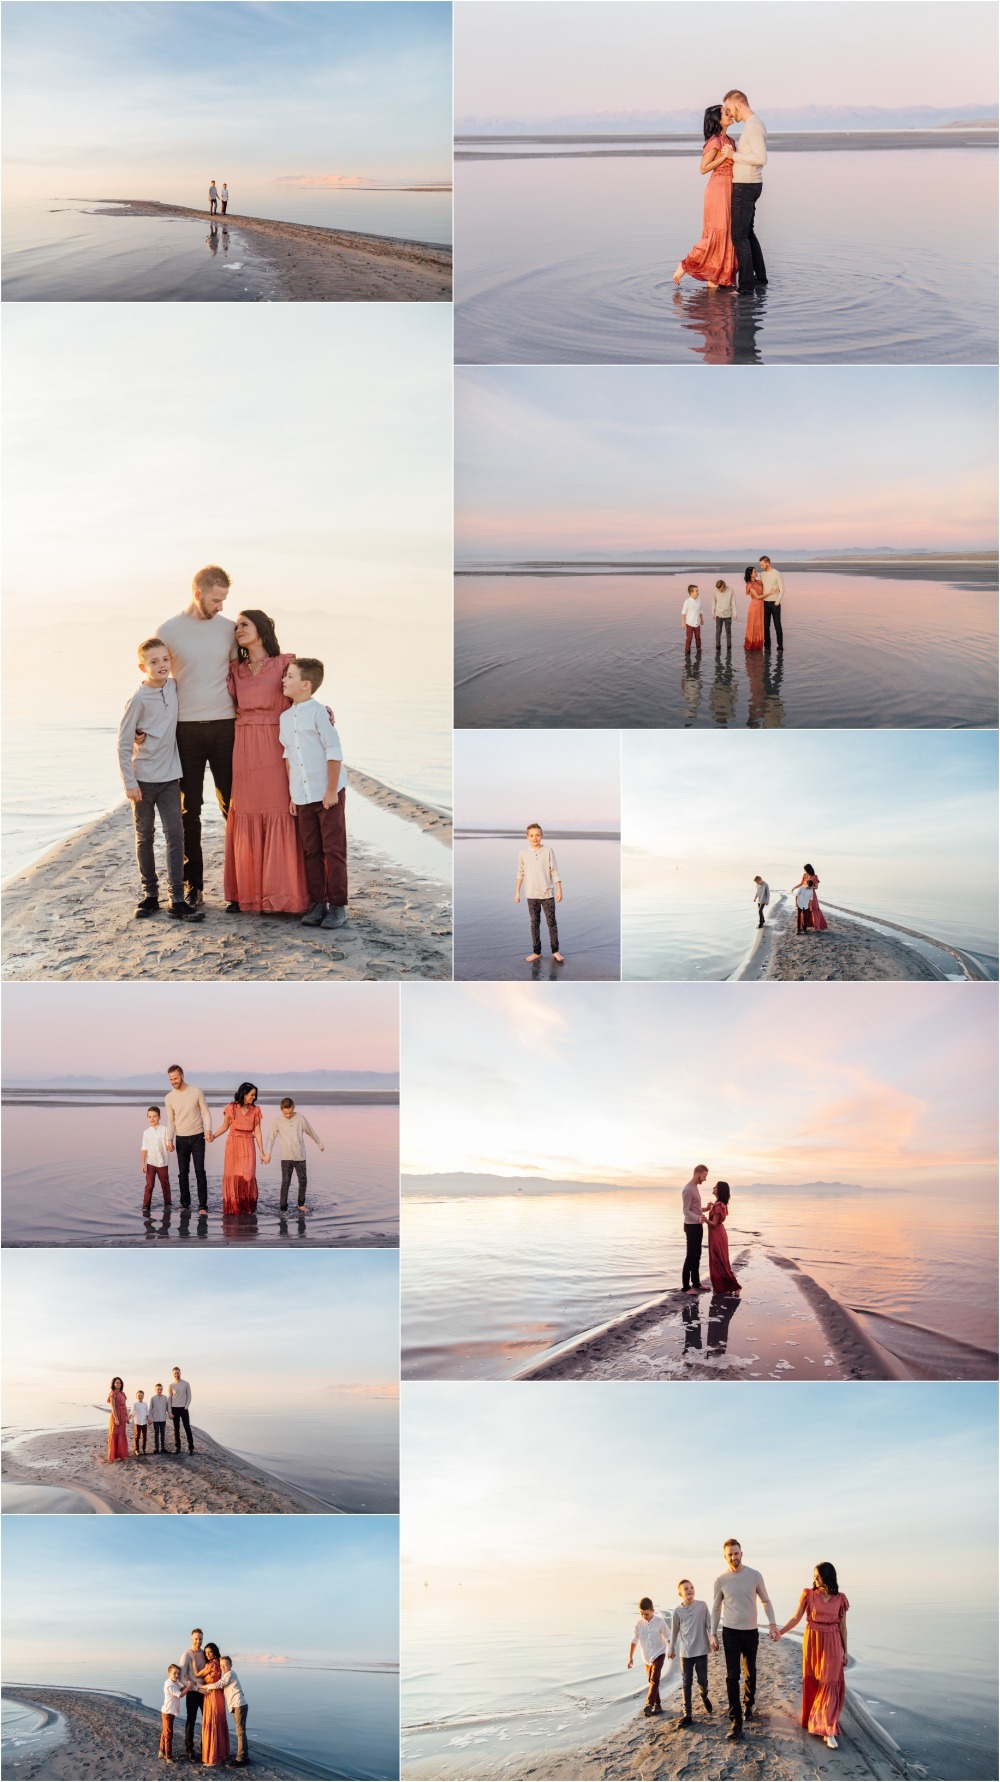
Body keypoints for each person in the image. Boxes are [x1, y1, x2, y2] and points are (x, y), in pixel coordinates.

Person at [158, 567, 237, 908]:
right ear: (198, 594)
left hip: (225, 727)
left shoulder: (230, 630)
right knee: (190, 811)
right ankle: (194, 887)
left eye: (224, 600)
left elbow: (246, 672)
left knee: (234, 808)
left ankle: (241, 886)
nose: (221, 606)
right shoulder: (169, 631)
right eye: (216, 599)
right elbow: (157, 677)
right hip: (185, 729)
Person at [222, 611, 310, 915]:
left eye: (244, 624)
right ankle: (246, 893)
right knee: (245, 810)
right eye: (236, 627)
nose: (238, 630)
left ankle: (281, 895)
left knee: (279, 811)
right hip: (244, 746)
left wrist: (322, 713)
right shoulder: (235, 669)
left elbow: (303, 694)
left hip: (276, 743)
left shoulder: (285, 663)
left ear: (262, 628)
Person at [118, 637, 205, 924]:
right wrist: (129, 782)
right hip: (142, 779)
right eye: (153, 662)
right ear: (142, 667)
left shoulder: (174, 687)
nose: (161, 665)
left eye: (165, 660)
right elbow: (123, 743)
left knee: (175, 835)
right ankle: (151, 895)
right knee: (145, 836)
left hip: (170, 778)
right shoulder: (138, 699)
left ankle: (177, 899)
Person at [279, 657, 349, 930]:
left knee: (334, 851)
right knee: (311, 851)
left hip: (328, 794)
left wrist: (331, 790)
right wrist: (292, 795)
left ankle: (338, 906)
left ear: (306, 685)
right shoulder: (284, 718)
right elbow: (288, 758)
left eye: (290, 676)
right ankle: (318, 903)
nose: (284, 680)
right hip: (303, 796)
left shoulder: (319, 712)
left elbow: (334, 753)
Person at [710, 1538, 779, 1742]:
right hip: (730, 1632)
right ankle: (736, 1723)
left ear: (742, 1553)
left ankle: (749, 1703)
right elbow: (716, 1608)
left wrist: (773, 1624)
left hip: (750, 1632)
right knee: (732, 1677)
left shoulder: (755, 1576)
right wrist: (713, 1633)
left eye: (736, 1553)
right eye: (730, 1554)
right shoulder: (720, 1580)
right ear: (725, 1556)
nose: (734, 1557)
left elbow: (765, 1601)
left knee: (750, 1672)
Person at [776, 1563, 850, 1750]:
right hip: (813, 1640)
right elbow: (796, 1618)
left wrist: (845, 1651)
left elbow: (842, 1627)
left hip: (832, 1641)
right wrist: (780, 1632)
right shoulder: (808, 1595)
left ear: (828, 1576)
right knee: (816, 1681)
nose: (815, 1579)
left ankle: (828, 1729)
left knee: (829, 1682)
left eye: (818, 1576)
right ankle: (816, 1719)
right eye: (814, 1575)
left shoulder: (840, 1599)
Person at [673, 104, 737, 289]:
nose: (730, 114)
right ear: (718, 120)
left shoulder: (730, 140)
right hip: (718, 190)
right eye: (726, 113)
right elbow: (703, 168)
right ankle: (685, 265)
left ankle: (717, 278)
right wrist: (724, 158)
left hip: (730, 188)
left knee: (728, 234)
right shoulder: (715, 141)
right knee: (717, 233)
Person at [720, 91, 767, 293]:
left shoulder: (753, 125)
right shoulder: (755, 123)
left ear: (738, 104)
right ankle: (760, 278)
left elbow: (760, 158)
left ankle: (746, 287)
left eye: (729, 109)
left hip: (746, 186)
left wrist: (734, 155)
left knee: (739, 237)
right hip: (751, 184)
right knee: (748, 233)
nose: (730, 114)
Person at [164, 1066, 214, 1211]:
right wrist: (169, 1140)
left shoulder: (196, 1091)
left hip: (198, 1137)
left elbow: (205, 1112)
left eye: (175, 1078)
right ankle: (185, 1204)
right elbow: (171, 1120)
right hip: (180, 1139)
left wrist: (208, 1130)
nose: (173, 1081)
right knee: (183, 1173)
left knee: (200, 1171)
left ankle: (203, 1205)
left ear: (182, 1076)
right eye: (171, 1079)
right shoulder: (169, 1098)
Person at [514, 823, 564, 964]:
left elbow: (554, 870)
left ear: (541, 836)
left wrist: (559, 889)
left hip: (547, 893)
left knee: (551, 923)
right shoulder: (523, 853)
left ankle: (555, 951)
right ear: (527, 837)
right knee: (534, 923)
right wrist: (517, 891)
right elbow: (520, 873)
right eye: (531, 835)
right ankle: (536, 952)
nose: (534, 838)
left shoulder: (548, 851)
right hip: (531, 894)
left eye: (537, 835)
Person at [264, 1096, 323, 1214]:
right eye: (286, 1113)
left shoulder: (300, 1118)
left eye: (290, 1113)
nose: (288, 1115)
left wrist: (319, 1144)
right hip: (286, 1157)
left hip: (300, 1156)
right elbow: (271, 1138)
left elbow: (311, 1131)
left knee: (303, 1181)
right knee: (285, 1182)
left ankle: (301, 1204)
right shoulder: (277, 1121)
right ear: (281, 1110)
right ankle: (283, 1208)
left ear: (293, 1108)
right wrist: (268, 1153)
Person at [668, 1579, 713, 1729]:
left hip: (701, 1650)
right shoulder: (677, 1611)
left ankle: (704, 1695)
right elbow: (674, 1632)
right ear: (680, 1593)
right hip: (685, 1653)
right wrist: (671, 1648)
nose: (689, 1590)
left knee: (703, 1680)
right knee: (686, 1683)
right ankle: (687, 1714)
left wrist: (714, 1638)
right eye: (686, 1589)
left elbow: (710, 1625)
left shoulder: (702, 1606)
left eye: (692, 1587)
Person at [214, 1082, 264, 1215]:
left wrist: (262, 1152)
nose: (254, 1097)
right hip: (233, 1144)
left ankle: (247, 1206)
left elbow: (258, 1132)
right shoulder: (231, 1107)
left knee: (248, 1176)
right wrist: (214, 1136)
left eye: (255, 1095)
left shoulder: (256, 1110)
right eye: (251, 1095)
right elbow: (225, 1126)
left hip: (248, 1144)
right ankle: (234, 1206)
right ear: (244, 1094)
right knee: (233, 1175)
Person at [199, 1657, 249, 1767]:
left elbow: (219, 1684)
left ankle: (240, 1759)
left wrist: (203, 1686)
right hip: (238, 1705)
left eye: (225, 1665)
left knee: (240, 1732)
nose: (223, 1667)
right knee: (241, 1732)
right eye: (221, 1666)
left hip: (239, 1705)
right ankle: (245, 1757)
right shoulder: (227, 1675)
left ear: (230, 1665)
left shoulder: (230, 1674)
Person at [627, 1596, 669, 1717]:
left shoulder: (660, 1621)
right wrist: (630, 1658)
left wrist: (671, 1650)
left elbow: (668, 1636)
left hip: (659, 1653)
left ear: (652, 1611)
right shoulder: (639, 1624)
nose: (644, 1616)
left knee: (654, 1679)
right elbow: (634, 1641)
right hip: (647, 1658)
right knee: (651, 1681)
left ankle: (649, 1704)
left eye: (646, 1614)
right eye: (642, 1614)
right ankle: (658, 1705)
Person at [198, 1644, 231, 1768]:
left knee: (212, 1723)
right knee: (217, 1723)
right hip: (217, 1695)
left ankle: (212, 1757)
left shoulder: (211, 1664)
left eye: (210, 1652)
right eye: (206, 1653)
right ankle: (222, 1754)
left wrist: (194, 1667)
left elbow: (197, 1675)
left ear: (215, 1653)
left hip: (211, 1695)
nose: (207, 1655)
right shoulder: (218, 1664)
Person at [706, 1181, 741, 1294]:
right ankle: (726, 1287)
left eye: (715, 1187)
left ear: (719, 1190)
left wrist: (704, 1219)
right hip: (719, 1233)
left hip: (716, 1234)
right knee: (720, 1260)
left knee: (718, 1260)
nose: (713, 1187)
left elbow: (714, 1223)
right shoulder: (720, 1204)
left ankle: (735, 1286)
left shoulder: (718, 1205)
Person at [180, 1630, 210, 1761]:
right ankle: (190, 1750)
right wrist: (197, 1688)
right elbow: (181, 1678)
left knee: (206, 1722)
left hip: (205, 1693)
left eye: (201, 1639)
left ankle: (205, 1748)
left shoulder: (205, 1654)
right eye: (196, 1639)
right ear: (191, 1639)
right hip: (193, 1692)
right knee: (191, 1722)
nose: (198, 1642)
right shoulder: (186, 1655)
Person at [681, 1164, 710, 1294]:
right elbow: (686, 1211)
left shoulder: (695, 1188)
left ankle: (696, 1283)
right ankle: (686, 1287)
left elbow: (694, 1208)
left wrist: (705, 1209)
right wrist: (698, 1218)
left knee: (697, 1255)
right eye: (704, 1176)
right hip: (691, 1227)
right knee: (690, 1256)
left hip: (697, 1226)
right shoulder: (688, 1189)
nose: (705, 1179)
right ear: (698, 1174)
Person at [141, 1105, 172, 1212]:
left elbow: (169, 1144)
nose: (152, 1119)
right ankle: (146, 1206)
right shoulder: (146, 1132)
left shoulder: (165, 1129)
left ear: (159, 1117)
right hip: (150, 1163)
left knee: (165, 1184)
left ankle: (168, 1204)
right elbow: (144, 1148)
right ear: (147, 1118)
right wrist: (143, 1163)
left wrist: (170, 1147)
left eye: (154, 1116)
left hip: (163, 1163)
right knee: (149, 1185)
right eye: (150, 1117)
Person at [160, 1663, 188, 1765]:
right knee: (169, 1734)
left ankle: (161, 1751)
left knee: (165, 1732)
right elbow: (181, 1694)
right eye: (174, 1673)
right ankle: (168, 1757)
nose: (176, 1675)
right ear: (169, 1673)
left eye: (178, 1674)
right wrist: (189, 1686)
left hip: (169, 1712)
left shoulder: (174, 1682)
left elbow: (182, 1687)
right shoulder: (169, 1685)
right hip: (168, 1712)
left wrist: (186, 1681)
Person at [758, 555, 784, 651]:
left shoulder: (777, 573)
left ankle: (780, 646)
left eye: (762, 565)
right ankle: (767, 646)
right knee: (766, 625)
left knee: (777, 625)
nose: (761, 567)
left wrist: (777, 602)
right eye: (760, 565)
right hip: (765, 603)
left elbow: (782, 590)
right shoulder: (762, 574)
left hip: (775, 603)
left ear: (767, 563)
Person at [169, 1366, 195, 1454]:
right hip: (174, 1408)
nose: (176, 1374)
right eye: (175, 1373)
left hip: (184, 1408)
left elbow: (189, 1396)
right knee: (176, 1429)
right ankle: (178, 1448)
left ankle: (191, 1448)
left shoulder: (186, 1384)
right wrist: (169, 1411)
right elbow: (170, 1398)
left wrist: (186, 1406)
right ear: (173, 1374)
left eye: (177, 1373)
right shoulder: (171, 1385)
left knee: (187, 1427)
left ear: (180, 1373)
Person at [106, 1376, 129, 1461]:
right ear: (113, 1384)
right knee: (114, 1432)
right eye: (116, 1382)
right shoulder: (112, 1393)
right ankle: (113, 1455)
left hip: (122, 1415)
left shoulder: (123, 1394)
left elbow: (125, 1406)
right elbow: (113, 1406)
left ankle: (122, 1453)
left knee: (122, 1432)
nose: (118, 1384)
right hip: (115, 1415)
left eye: (119, 1383)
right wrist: (116, 1418)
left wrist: (127, 1417)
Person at [743, 566, 765, 652]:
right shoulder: (750, 584)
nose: (756, 573)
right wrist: (770, 593)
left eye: (756, 571)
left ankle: (758, 643)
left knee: (759, 624)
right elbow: (757, 596)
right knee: (753, 624)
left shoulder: (758, 582)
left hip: (761, 605)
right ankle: (752, 643)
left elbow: (766, 581)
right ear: (750, 574)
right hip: (755, 605)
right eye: (755, 572)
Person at [801, 863, 828, 932]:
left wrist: (809, 887)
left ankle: (817, 927)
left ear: (808, 869)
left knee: (814, 909)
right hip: (805, 894)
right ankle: (804, 926)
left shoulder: (814, 877)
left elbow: (816, 887)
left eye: (805, 870)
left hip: (812, 894)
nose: (805, 871)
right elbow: (801, 884)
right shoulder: (804, 875)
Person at [712, 580, 737, 655]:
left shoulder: (730, 590)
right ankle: (718, 647)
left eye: (721, 589)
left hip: (728, 614)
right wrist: (713, 612)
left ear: (724, 586)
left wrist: (734, 613)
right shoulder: (715, 591)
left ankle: (729, 648)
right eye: (718, 589)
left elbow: (733, 602)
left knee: (728, 632)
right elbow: (714, 602)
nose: (720, 590)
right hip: (718, 614)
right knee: (718, 631)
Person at [681, 584, 703, 657]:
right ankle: (687, 652)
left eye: (697, 590)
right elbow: (683, 613)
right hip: (689, 624)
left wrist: (702, 619)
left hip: (697, 624)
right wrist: (683, 622)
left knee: (698, 638)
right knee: (689, 638)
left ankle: (699, 650)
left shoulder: (699, 600)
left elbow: (700, 611)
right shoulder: (687, 602)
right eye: (696, 591)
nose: (698, 592)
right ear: (691, 593)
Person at [150, 1383, 169, 1454]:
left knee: (163, 1433)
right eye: (158, 1389)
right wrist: (150, 1418)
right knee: (156, 1433)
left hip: (163, 1419)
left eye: (161, 1389)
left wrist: (170, 1413)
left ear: (162, 1389)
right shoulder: (153, 1398)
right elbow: (150, 1409)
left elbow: (167, 1407)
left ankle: (163, 1448)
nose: (159, 1390)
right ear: (155, 1389)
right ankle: (156, 1448)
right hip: (155, 1419)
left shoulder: (165, 1398)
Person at [132, 1388, 149, 1455]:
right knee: (137, 1436)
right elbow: (132, 1412)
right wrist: (128, 1418)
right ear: (136, 1396)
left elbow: (147, 1412)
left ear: (143, 1396)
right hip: (137, 1422)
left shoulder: (145, 1404)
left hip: (144, 1422)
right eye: (139, 1395)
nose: (140, 1397)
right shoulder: (135, 1404)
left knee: (144, 1436)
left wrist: (149, 1419)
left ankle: (144, 1449)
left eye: (141, 1395)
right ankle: (136, 1450)